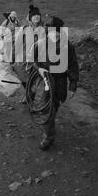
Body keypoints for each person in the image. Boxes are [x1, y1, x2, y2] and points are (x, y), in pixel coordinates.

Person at [29, 16, 79, 150]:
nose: (55, 34)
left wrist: (72, 86)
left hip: (59, 82)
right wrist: (38, 68)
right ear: (47, 31)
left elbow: (73, 66)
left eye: (57, 31)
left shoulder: (68, 47)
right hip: (43, 80)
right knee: (46, 108)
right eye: (52, 31)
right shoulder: (39, 44)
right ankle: (48, 136)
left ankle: (48, 125)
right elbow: (32, 60)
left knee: (53, 107)